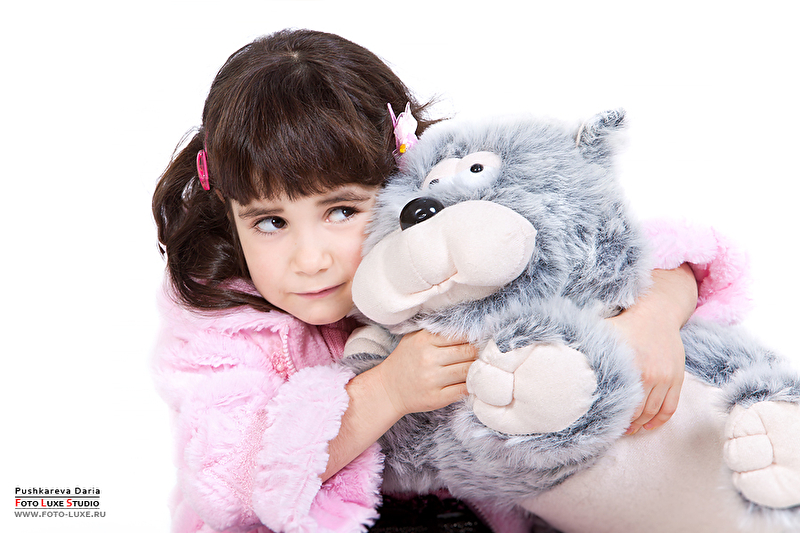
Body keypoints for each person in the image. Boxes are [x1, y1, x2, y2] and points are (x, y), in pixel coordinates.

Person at [152, 28, 748, 533]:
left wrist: (653, 313)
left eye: (341, 211)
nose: (309, 259)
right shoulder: (222, 322)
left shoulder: (444, 235)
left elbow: (613, 244)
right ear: (230, 215)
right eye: (270, 223)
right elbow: (233, 478)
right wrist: (388, 392)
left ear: (400, 178)